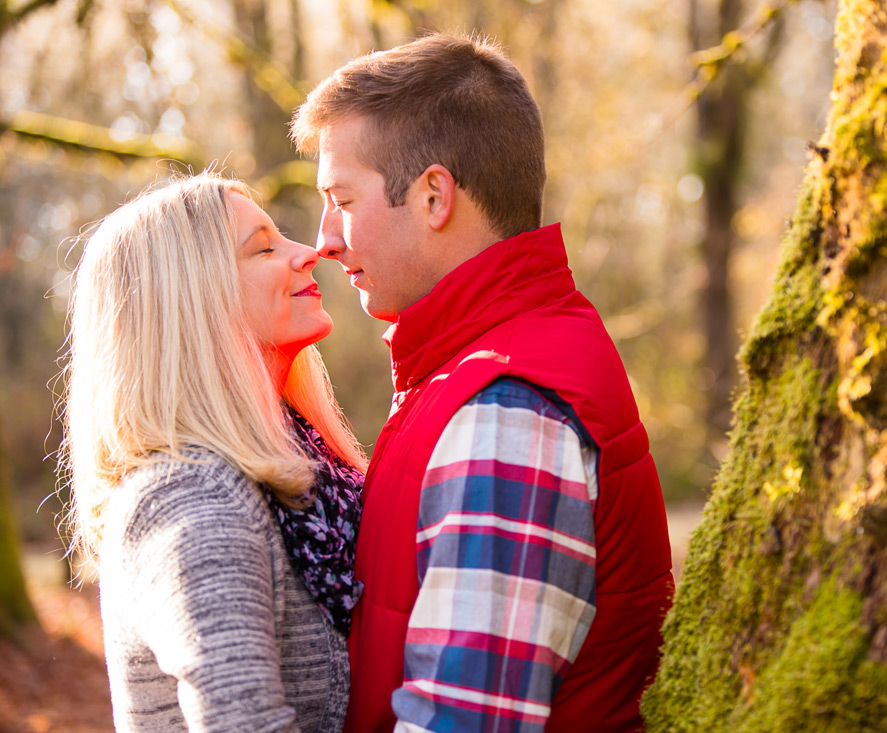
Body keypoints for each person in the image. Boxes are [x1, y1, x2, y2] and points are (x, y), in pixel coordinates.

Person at [291, 33, 674, 732]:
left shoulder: (509, 409)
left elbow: (464, 720)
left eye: (342, 199)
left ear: (435, 194)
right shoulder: (468, 374)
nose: (324, 240)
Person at [60, 173, 367, 732]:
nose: (311, 252)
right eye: (265, 248)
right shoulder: (191, 496)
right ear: (193, 300)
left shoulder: (297, 465)